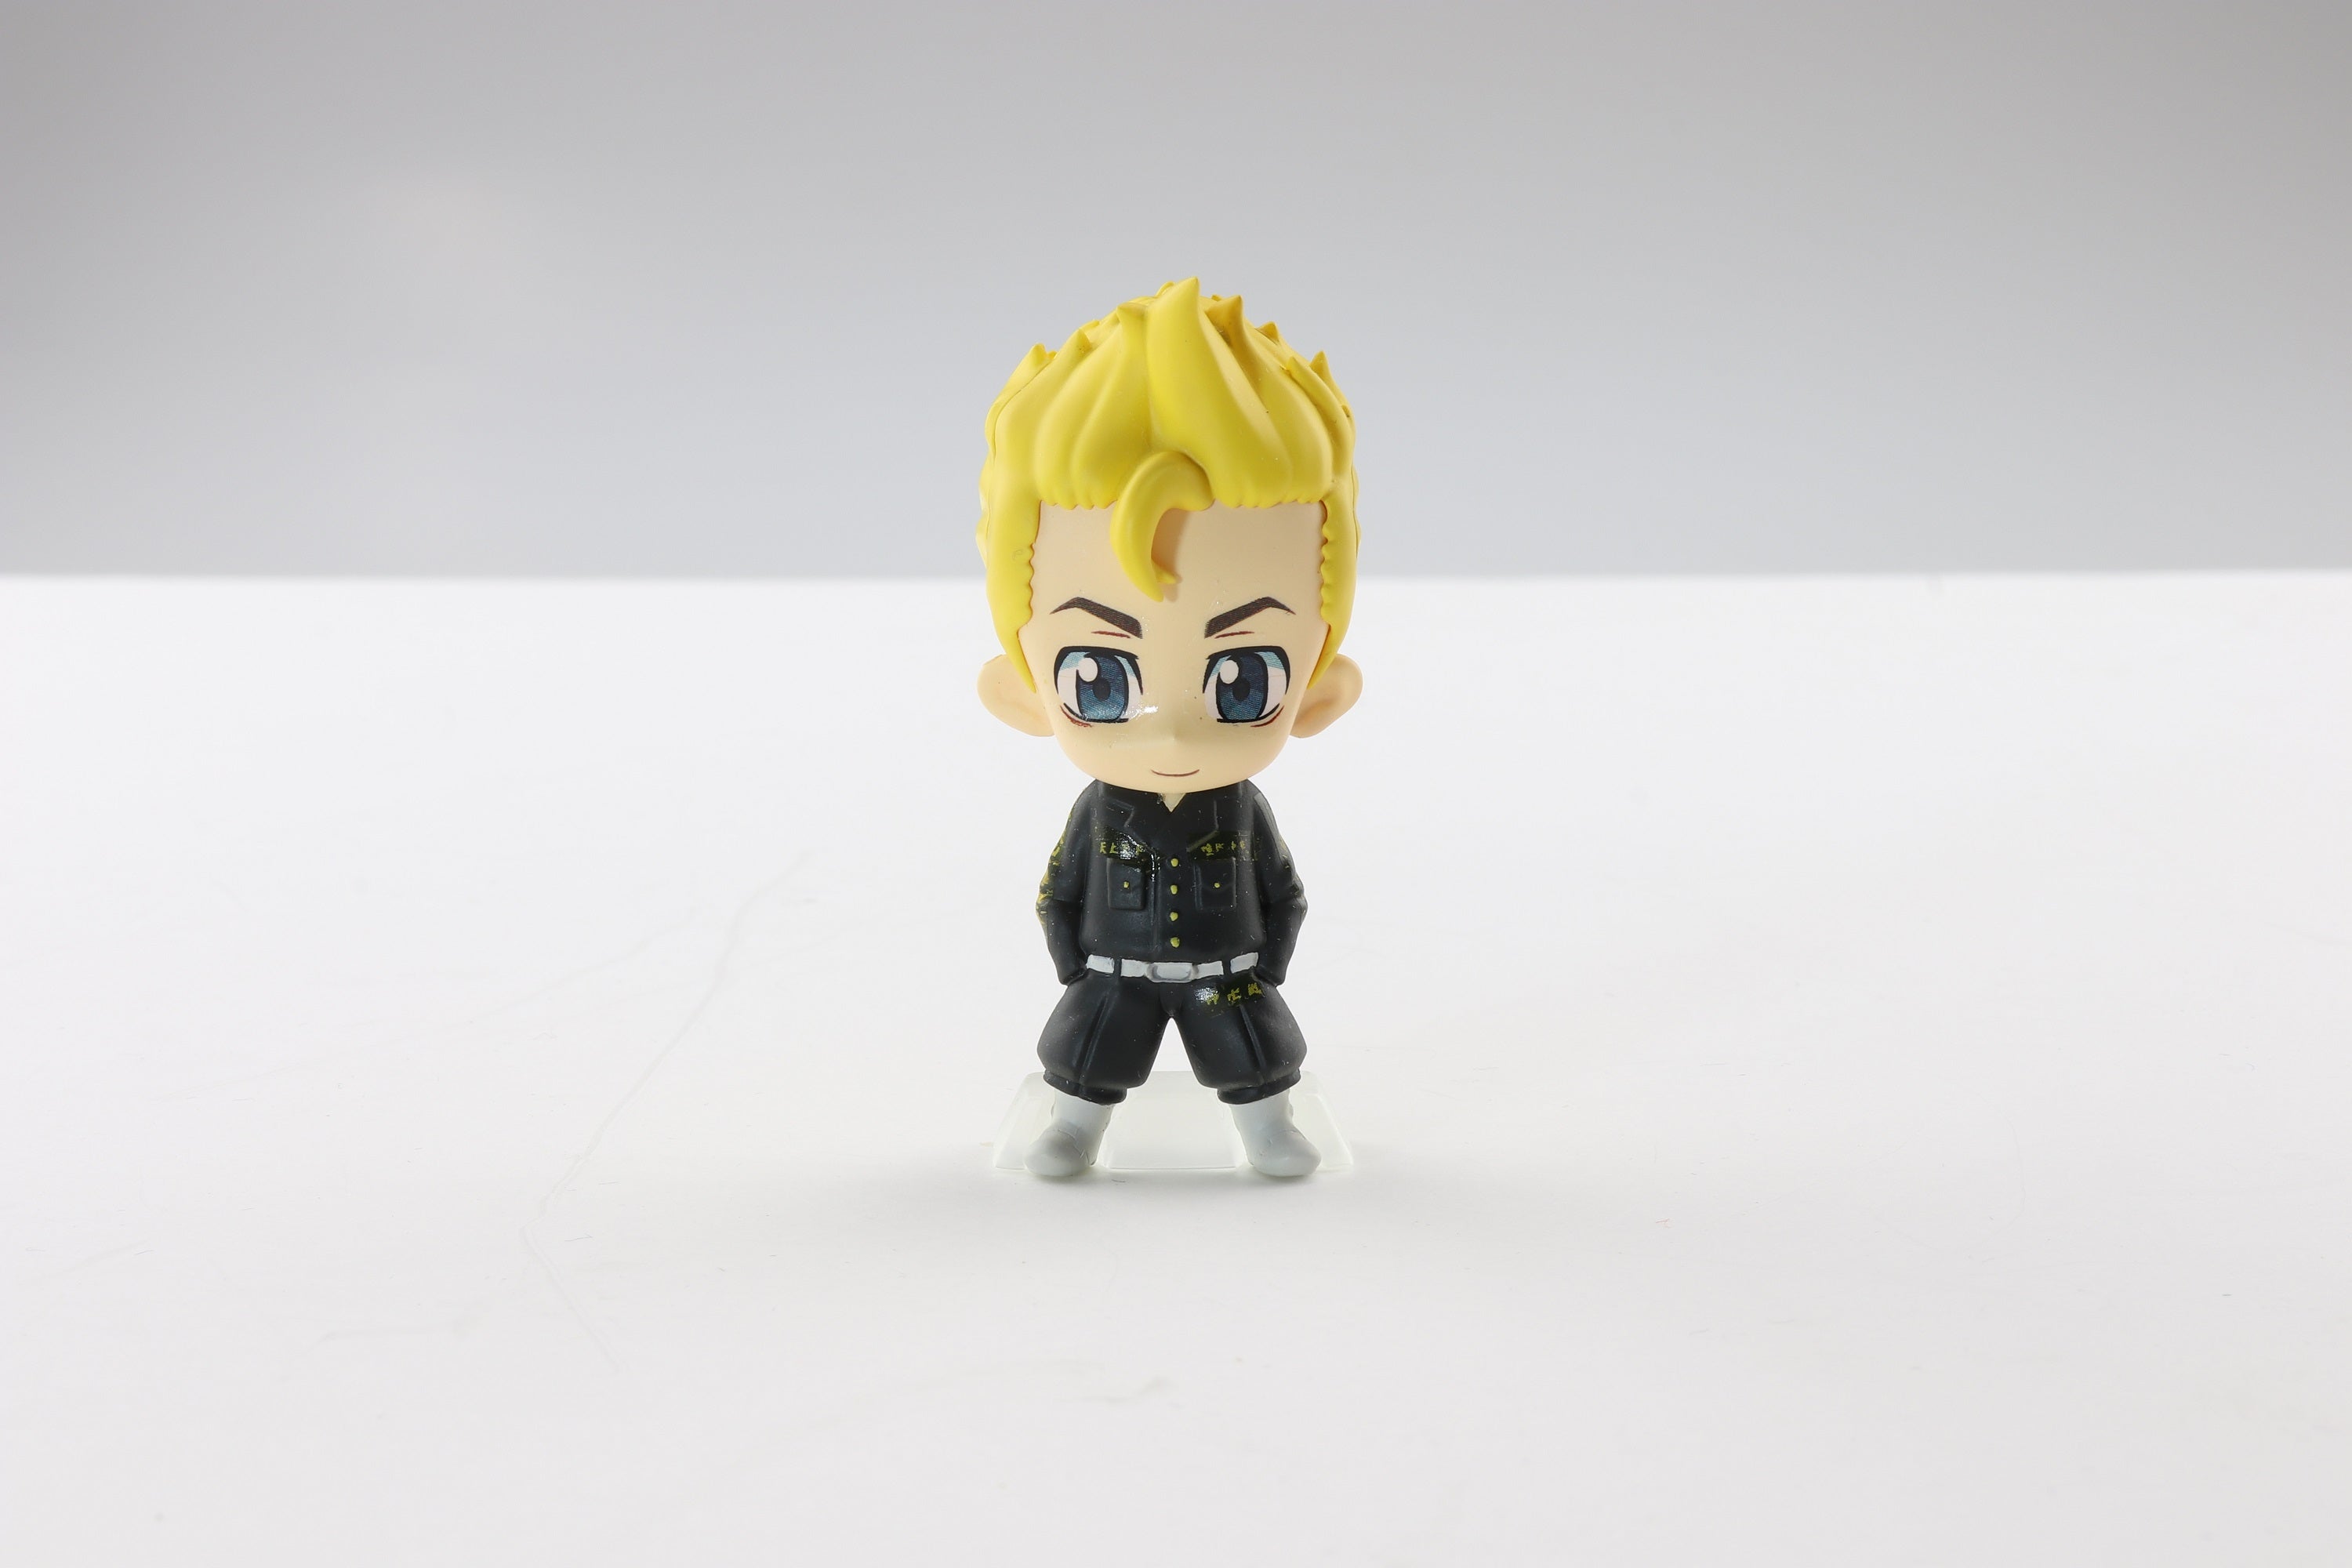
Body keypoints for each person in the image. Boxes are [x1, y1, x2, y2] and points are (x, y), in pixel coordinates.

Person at [973, 280, 1366, 1177]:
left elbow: (1286, 891)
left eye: (1245, 680)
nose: (1175, 735)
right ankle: (1074, 1125)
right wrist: (1075, 966)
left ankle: (1266, 1126)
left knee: (1255, 1053)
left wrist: (1267, 964)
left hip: (1228, 971)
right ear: (1025, 693)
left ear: (1318, 690)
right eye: (1099, 679)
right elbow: (1057, 892)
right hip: (1116, 973)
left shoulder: (1241, 810)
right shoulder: (1100, 811)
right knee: (1088, 1054)